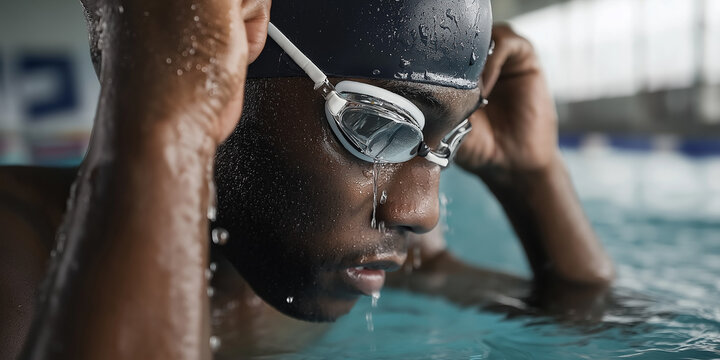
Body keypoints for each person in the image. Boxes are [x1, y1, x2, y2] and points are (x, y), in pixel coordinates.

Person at [0, 0, 614, 358]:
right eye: (376, 125)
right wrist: (164, 126)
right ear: (222, 70)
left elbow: (592, 327)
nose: (421, 210)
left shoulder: (382, 258)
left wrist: (535, 178)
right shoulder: (17, 262)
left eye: (447, 140)